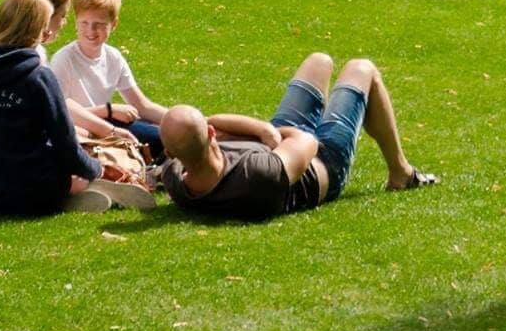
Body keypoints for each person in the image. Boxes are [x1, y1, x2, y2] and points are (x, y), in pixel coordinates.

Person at [158, 50, 435, 222]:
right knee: (362, 69)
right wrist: (268, 132)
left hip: (282, 146)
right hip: (323, 160)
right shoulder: (256, 174)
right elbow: (308, 142)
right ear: (210, 135)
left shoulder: (176, 176)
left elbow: (205, 135)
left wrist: (263, 132)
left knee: (319, 62)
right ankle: (400, 172)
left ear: (170, 152)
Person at [0, 0, 143, 217]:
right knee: (78, 171)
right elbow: (66, 145)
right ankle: (78, 190)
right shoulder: (38, 77)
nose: (49, 32)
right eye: (46, 26)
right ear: (38, 31)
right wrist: (98, 170)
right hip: (30, 189)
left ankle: (71, 194)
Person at [49, 0, 172, 162]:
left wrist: (184, 122)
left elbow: (142, 105)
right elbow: (61, 112)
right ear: (76, 22)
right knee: (159, 140)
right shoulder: (64, 59)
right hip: (81, 130)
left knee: (168, 133)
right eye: (84, 23)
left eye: (99, 24)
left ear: (113, 24)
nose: (91, 31)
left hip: (106, 122)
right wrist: (108, 110)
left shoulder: (113, 57)